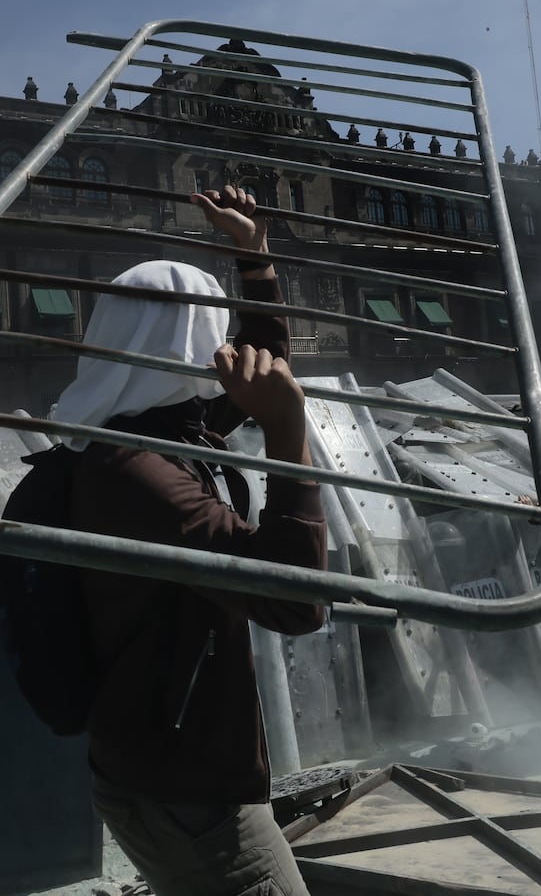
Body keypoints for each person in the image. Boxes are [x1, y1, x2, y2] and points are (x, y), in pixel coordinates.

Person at [57, 186, 326, 895]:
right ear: (190, 344)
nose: (229, 349)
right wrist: (287, 437)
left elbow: (261, 367)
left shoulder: (153, 430)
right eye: (217, 334)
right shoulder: (140, 474)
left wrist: (253, 254)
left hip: (171, 771)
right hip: (186, 795)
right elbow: (297, 604)